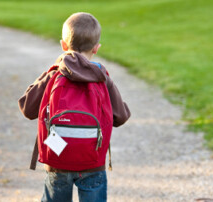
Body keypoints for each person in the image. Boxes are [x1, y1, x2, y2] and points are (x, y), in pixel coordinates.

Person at [19, 12, 130, 202]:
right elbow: (121, 117)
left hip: (58, 159)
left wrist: (49, 72)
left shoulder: (54, 75)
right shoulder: (102, 78)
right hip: (92, 162)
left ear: (63, 45)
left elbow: (27, 108)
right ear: (96, 48)